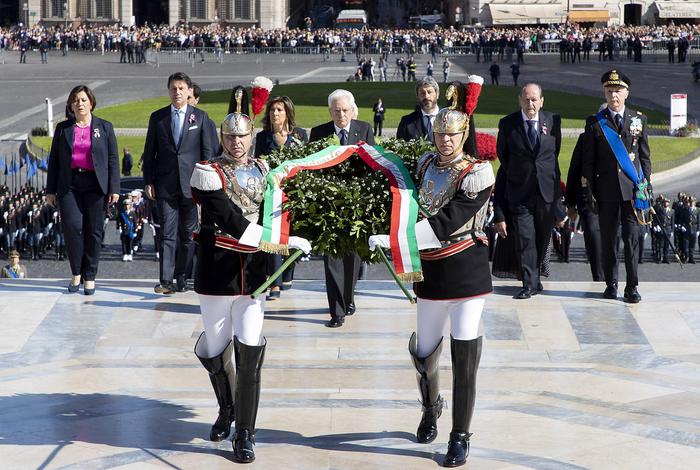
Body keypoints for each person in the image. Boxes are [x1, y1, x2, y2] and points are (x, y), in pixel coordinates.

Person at [369, 76, 493, 467]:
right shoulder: (424, 164)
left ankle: (460, 435)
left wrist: (396, 241)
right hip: (431, 274)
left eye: (452, 135)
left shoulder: (478, 173)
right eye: (440, 134)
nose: (445, 141)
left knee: (464, 354)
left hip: (467, 271)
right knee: (424, 352)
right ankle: (429, 407)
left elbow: (448, 220)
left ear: (463, 134)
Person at [189, 86, 311, 462]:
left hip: (253, 273)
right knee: (216, 346)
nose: (238, 142)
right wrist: (278, 238)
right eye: (231, 136)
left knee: (250, 348)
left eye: (243, 136)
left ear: (250, 136)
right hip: (217, 270)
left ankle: (245, 431)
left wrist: (297, 232)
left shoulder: (264, 169)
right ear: (222, 138)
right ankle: (226, 408)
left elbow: (278, 209)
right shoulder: (206, 172)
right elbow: (228, 218)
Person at [142, 72, 219, 295]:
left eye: (181, 89)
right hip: (165, 185)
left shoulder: (201, 118)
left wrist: (206, 184)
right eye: (173, 89)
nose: (177, 92)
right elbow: (150, 154)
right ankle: (165, 280)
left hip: (192, 186)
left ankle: (182, 275)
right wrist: (148, 181)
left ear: (189, 92)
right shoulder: (158, 118)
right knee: (167, 233)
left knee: (188, 235)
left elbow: (207, 154)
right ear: (169, 91)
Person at [581, 70, 651, 303]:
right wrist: (589, 190)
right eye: (609, 91)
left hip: (632, 191)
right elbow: (588, 161)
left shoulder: (638, 120)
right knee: (609, 240)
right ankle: (611, 283)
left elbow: (644, 157)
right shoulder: (595, 123)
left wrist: (646, 184)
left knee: (632, 239)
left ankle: (632, 286)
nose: (614, 96)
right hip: (606, 191)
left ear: (626, 93)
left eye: (618, 91)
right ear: (605, 92)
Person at [309, 89, 375, 328]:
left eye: (345, 110)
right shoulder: (318, 134)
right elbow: (311, 168)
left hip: (357, 208)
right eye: (336, 111)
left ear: (352, 109)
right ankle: (336, 311)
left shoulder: (364, 129)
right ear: (330, 111)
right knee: (332, 261)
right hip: (329, 209)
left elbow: (374, 164)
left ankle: (348, 298)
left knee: (352, 260)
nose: (341, 115)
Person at [46, 85, 120, 295]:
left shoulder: (104, 127)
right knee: (72, 227)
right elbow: (55, 161)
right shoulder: (63, 129)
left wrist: (114, 187)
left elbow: (113, 160)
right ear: (71, 105)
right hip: (70, 184)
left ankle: (90, 275)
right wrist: (50, 190)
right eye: (76, 100)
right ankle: (76, 272)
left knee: (94, 231)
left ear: (91, 103)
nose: (80, 104)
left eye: (84, 100)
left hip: (96, 184)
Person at [493, 83, 564, 299]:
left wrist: (559, 205)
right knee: (525, 239)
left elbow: (553, 159)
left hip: (545, 195)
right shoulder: (507, 124)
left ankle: (535, 279)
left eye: (534, 99)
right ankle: (528, 283)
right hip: (519, 194)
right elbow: (504, 160)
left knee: (542, 238)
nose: (530, 103)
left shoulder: (553, 121)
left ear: (542, 101)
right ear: (519, 100)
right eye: (526, 99)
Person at [253, 95, 309, 300]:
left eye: (279, 110)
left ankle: (287, 274)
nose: (275, 113)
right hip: (272, 195)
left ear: (287, 113)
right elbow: (257, 165)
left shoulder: (300, 135)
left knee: (292, 235)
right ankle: (274, 283)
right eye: (272, 110)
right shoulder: (262, 137)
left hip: (294, 193)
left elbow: (306, 163)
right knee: (275, 235)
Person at [565, 133, 604, 281]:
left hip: (612, 195)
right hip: (589, 196)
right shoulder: (585, 138)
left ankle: (610, 275)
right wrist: (570, 202)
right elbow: (574, 167)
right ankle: (599, 276)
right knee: (593, 234)